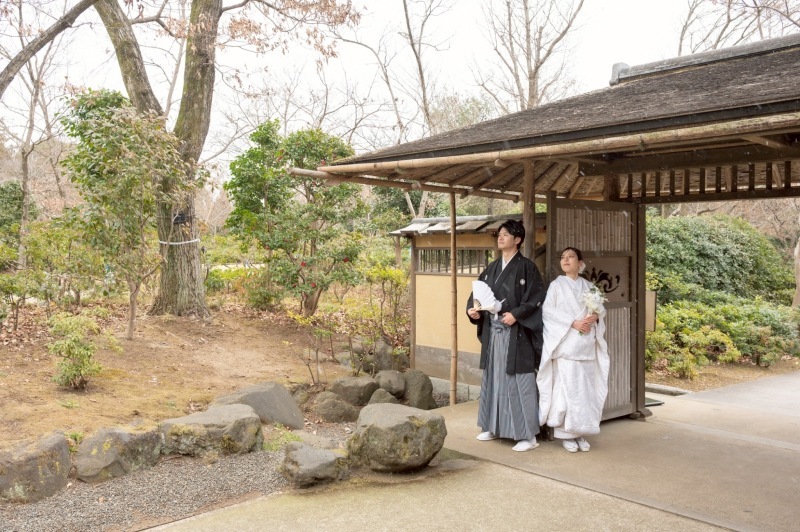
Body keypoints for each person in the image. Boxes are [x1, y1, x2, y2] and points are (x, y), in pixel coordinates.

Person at [466, 220, 546, 452]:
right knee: (494, 379)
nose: (500, 238)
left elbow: (536, 298)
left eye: (505, 234)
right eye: (499, 234)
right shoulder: (491, 268)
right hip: (494, 331)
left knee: (519, 381)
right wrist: (473, 311)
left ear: (517, 240)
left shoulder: (527, 268)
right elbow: (477, 297)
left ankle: (527, 435)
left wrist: (517, 315)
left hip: (516, 334)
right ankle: (493, 426)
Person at [537, 247, 610, 453]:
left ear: (580, 263)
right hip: (567, 344)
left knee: (584, 391)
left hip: (585, 345)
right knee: (567, 390)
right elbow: (548, 311)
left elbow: (600, 309)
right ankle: (566, 434)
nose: (566, 260)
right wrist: (572, 322)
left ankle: (580, 432)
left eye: (571, 257)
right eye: (563, 257)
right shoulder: (556, 285)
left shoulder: (589, 287)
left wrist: (596, 316)